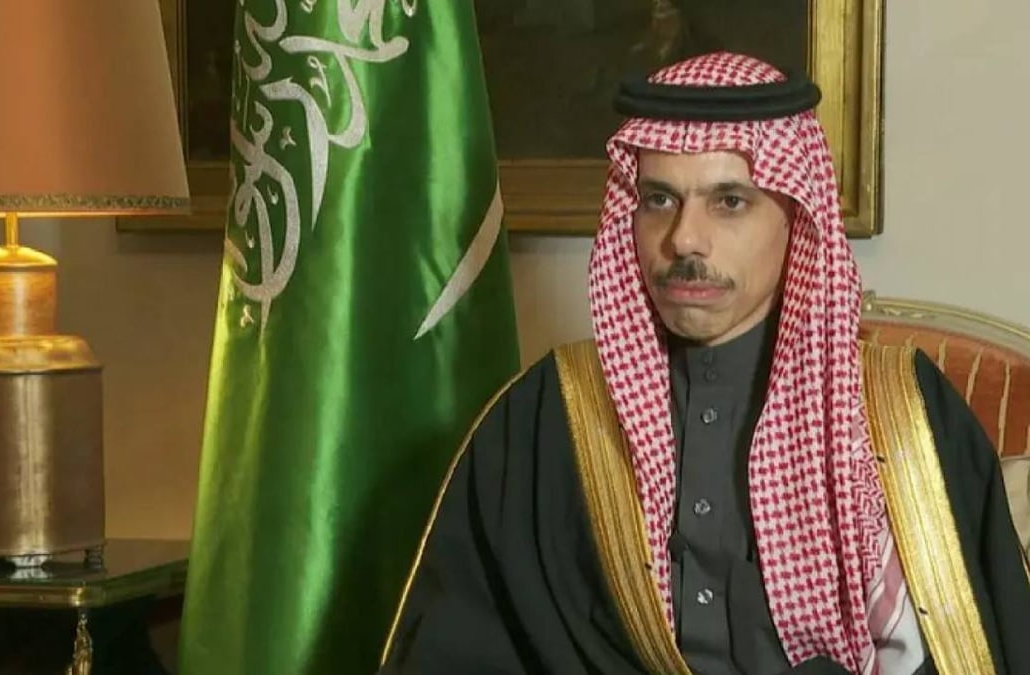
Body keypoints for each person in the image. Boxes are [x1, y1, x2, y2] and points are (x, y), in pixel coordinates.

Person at [378, 52, 1030, 674]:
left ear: (795, 217)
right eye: (660, 199)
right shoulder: (545, 417)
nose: (684, 239)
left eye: (729, 201)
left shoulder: (902, 417)